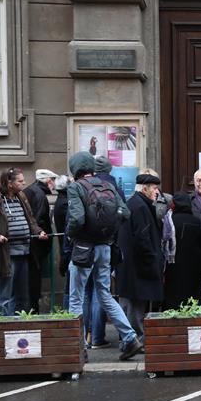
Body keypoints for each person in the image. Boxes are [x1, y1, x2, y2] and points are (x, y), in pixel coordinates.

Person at [66, 151, 141, 361]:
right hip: (105, 248)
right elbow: (125, 213)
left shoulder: (76, 187)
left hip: (83, 249)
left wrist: (72, 236)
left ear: (75, 170)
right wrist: (107, 231)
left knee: (76, 298)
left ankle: (78, 348)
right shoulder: (107, 185)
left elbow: (77, 219)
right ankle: (130, 338)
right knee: (105, 295)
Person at [0, 168, 48, 316]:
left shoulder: (21, 196)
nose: (24, 183)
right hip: (5, 255)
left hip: (23, 252)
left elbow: (30, 220)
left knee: (21, 296)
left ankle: (18, 327)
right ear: (9, 183)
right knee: (4, 294)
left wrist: (38, 231)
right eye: (20, 181)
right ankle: (2, 325)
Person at [116, 173, 164, 346]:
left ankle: (130, 339)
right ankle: (135, 340)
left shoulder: (135, 203)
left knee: (131, 302)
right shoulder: (141, 207)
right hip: (138, 266)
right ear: (145, 189)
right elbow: (143, 238)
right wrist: (152, 260)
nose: (157, 192)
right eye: (154, 188)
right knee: (135, 304)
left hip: (131, 265)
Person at [163, 191, 201, 309]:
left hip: (173, 265)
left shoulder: (169, 221)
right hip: (194, 265)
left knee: (174, 295)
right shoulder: (196, 221)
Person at [23, 169, 58, 312]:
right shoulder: (39, 195)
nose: (55, 185)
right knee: (33, 281)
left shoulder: (31, 191)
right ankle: (33, 310)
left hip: (31, 246)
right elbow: (36, 220)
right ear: (48, 181)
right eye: (53, 181)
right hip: (36, 246)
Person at [53, 174, 71, 310]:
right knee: (70, 287)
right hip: (68, 247)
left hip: (66, 246)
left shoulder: (60, 201)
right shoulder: (65, 203)